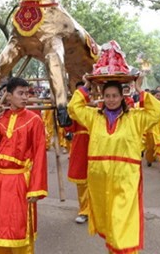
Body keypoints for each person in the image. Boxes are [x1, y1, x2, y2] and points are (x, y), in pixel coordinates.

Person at [67, 75, 160, 254]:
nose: (111, 100)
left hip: (125, 180)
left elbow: (156, 112)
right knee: (109, 223)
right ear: (102, 97)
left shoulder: (135, 117)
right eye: (107, 96)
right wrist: (87, 86)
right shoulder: (94, 117)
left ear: (122, 96)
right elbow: (73, 108)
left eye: (115, 96)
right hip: (99, 181)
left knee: (122, 225)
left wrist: (140, 90)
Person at [0, 77, 48, 254]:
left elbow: (39, 156)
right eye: (20, 93)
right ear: (8, 96)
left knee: (19, 229)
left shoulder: (34, 120)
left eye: (27, 93)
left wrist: (35, 189)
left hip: (21, 182)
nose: (25, 98)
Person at [65, 81, 91, 224]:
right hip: (80, 145)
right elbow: (70, 127)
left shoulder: (99, 105)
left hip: (97, 143)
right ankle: (84, 210)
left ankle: (97, 209)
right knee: (82, 180)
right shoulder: (76, 109)